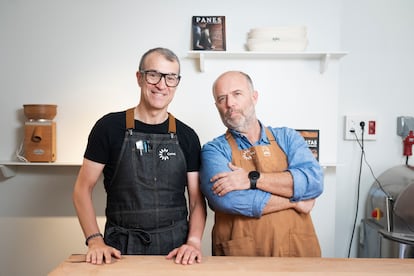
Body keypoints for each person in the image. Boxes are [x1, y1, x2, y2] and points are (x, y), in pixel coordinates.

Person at [73, 47, 206, 265]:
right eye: (154, 75)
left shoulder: (187, 136)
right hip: (120, 247)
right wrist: (95, 240)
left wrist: (193, 242)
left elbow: (196, 200)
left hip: (175, 251)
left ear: (176, 83)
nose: (161, 85)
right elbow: (82, 188)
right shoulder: (108, 127)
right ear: (139, 78)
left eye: (170, 78)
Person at [200, 71, 323, 257]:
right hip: (242, 258)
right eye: (221, 98)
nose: (229, 103)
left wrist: (251, 179)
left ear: (254, 97)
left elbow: (313, 182)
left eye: (237, 94)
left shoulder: (287, 137)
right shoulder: (214, 150)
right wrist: (295, 202)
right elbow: (225, 199)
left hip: (296, 253)